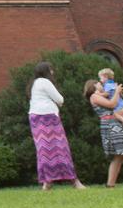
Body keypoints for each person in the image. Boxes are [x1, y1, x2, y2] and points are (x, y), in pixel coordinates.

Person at [27, 61, 86, 191]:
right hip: (49, 118)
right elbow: (60, 99)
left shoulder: (34, 84)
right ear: (46, 71)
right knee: (61, 149)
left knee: (43, 150)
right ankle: (75, 182)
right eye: (51, 69)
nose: (53, 72)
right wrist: (57, 103)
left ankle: (47, 183)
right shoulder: (45, 82)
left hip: (35, 118)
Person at [85, 79, 123, 188]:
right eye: (99, 83)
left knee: (119, 157)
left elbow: (117, 103)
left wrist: (117, 93)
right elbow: (112, 104)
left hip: (114, 124)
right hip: (112, 125)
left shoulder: (103, 95)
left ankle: (110, 185)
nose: (102, 85)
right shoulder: (94, 96)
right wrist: (116, 92)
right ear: (94, 86)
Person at [98, 68, 123, 136]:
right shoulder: (113, 84)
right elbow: (120, 94)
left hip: (119, 106)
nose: (100, 80)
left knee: (117, 115)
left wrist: (99, 94)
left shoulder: (107, 85)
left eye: (100, 78)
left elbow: (107, 94)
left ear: (105, 76)